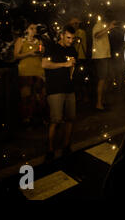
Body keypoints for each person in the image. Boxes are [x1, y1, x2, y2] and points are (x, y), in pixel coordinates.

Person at [42, 25, 77, 162]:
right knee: (56, 120)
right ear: (61, 35)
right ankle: (50, 150)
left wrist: (72, 67)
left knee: (70, 119)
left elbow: (72, 69)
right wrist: (64, 64)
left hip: (69, 89)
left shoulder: (72, 50)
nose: (70, 40)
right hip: (55, 89)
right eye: (68, 37)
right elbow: (44, 64)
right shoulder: (52, 48)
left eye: (72, 38)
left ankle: (66, 146)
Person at [13, 22, 46, 128]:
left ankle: (40, 119)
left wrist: (41, 51)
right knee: (26, 96)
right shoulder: (20, 40)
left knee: (40, 96)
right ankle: (26, 120)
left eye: (35, 29)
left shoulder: (39, 41)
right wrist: (29, 53)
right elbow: (16, 55)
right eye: (31, 28)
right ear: (26, 29)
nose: (34, 30)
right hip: (25, 71)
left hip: (38, 70)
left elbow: (41, 53)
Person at [92, 15, 116, 111]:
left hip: (105, 56)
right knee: (102, 79)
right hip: (100, 56)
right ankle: (98, 103)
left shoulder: (103, 25)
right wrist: (108, 28)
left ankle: (103, 100)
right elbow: (96, 35)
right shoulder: (98, 25)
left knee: (108, 78)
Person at [69, 17, 90, 103]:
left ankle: (84, 96)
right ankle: (78, 96)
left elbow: (76, 40)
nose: (75, 25)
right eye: (73, 24)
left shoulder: (81, 32)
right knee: (76, 78)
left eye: (76, 23)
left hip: (81, 57)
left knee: (81, 78)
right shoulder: (73, 32)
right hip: (75, 57)